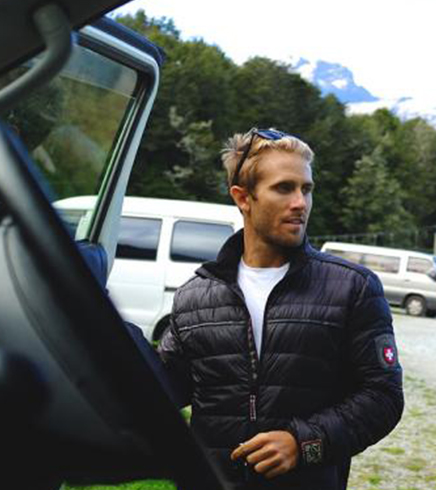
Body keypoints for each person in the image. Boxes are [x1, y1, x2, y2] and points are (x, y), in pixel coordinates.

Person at [158, 128, 404, 489]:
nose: (300, 203)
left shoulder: (352, 287)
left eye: (306, 189)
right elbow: (165, 390)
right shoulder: (196, 296)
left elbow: (383, 397)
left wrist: (303, 444)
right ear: (243, 198)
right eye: (284, 188)